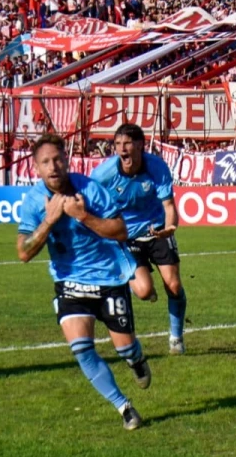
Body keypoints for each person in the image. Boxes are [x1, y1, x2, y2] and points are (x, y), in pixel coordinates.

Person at [17, 133, 151, 430]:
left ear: (67, 160)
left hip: (108, 278)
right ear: (36, 169)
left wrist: (83, 216)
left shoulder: (91, 189)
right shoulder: (33, 202)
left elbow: (120, 231)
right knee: (81, 349)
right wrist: (48, 221)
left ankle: (136, 359)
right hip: (69, 281)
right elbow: (24, 253)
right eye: (45, 162)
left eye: (57, 159)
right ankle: (123, 407)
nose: (52, 167)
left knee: (125, 348)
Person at [91, 124, 188, 355]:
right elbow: (89, 202)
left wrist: (170, 227)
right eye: (117, 144)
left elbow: (169, 206)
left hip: (156, 229)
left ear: (140, 145)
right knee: (145, 292)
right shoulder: (104, 174)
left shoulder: (156, 166)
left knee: (173, 285)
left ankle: (176, 338)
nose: (122, 149)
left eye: (127, 144)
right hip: (125, 236)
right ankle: (141, 287)